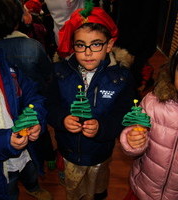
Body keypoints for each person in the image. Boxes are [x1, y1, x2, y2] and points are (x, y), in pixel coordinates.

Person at [47, 3, 136, 199]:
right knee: (74, 191)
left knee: (97, 190)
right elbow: (50, 105)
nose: (87, 52)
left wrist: (102, 127)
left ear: (109, 45)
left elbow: (123, 114)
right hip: (69, 151)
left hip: (100, 153)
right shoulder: (59, 72)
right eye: (81, 45)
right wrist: (62, 119)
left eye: (96, 44)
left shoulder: (121, 78)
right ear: (73, 45)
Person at [0, 0, 56, 176]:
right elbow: (47, 74)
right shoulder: (32, 46)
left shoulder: (3, 67)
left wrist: (36, 118)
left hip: (25, 136)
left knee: (31, 164)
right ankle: (48, 160)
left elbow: (33, 96)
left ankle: (34, 182)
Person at [120, 49, 178, 199]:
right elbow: (134, 130)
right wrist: (132, 140)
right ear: (173, 71)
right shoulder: (152, 103)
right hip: (142, 188)